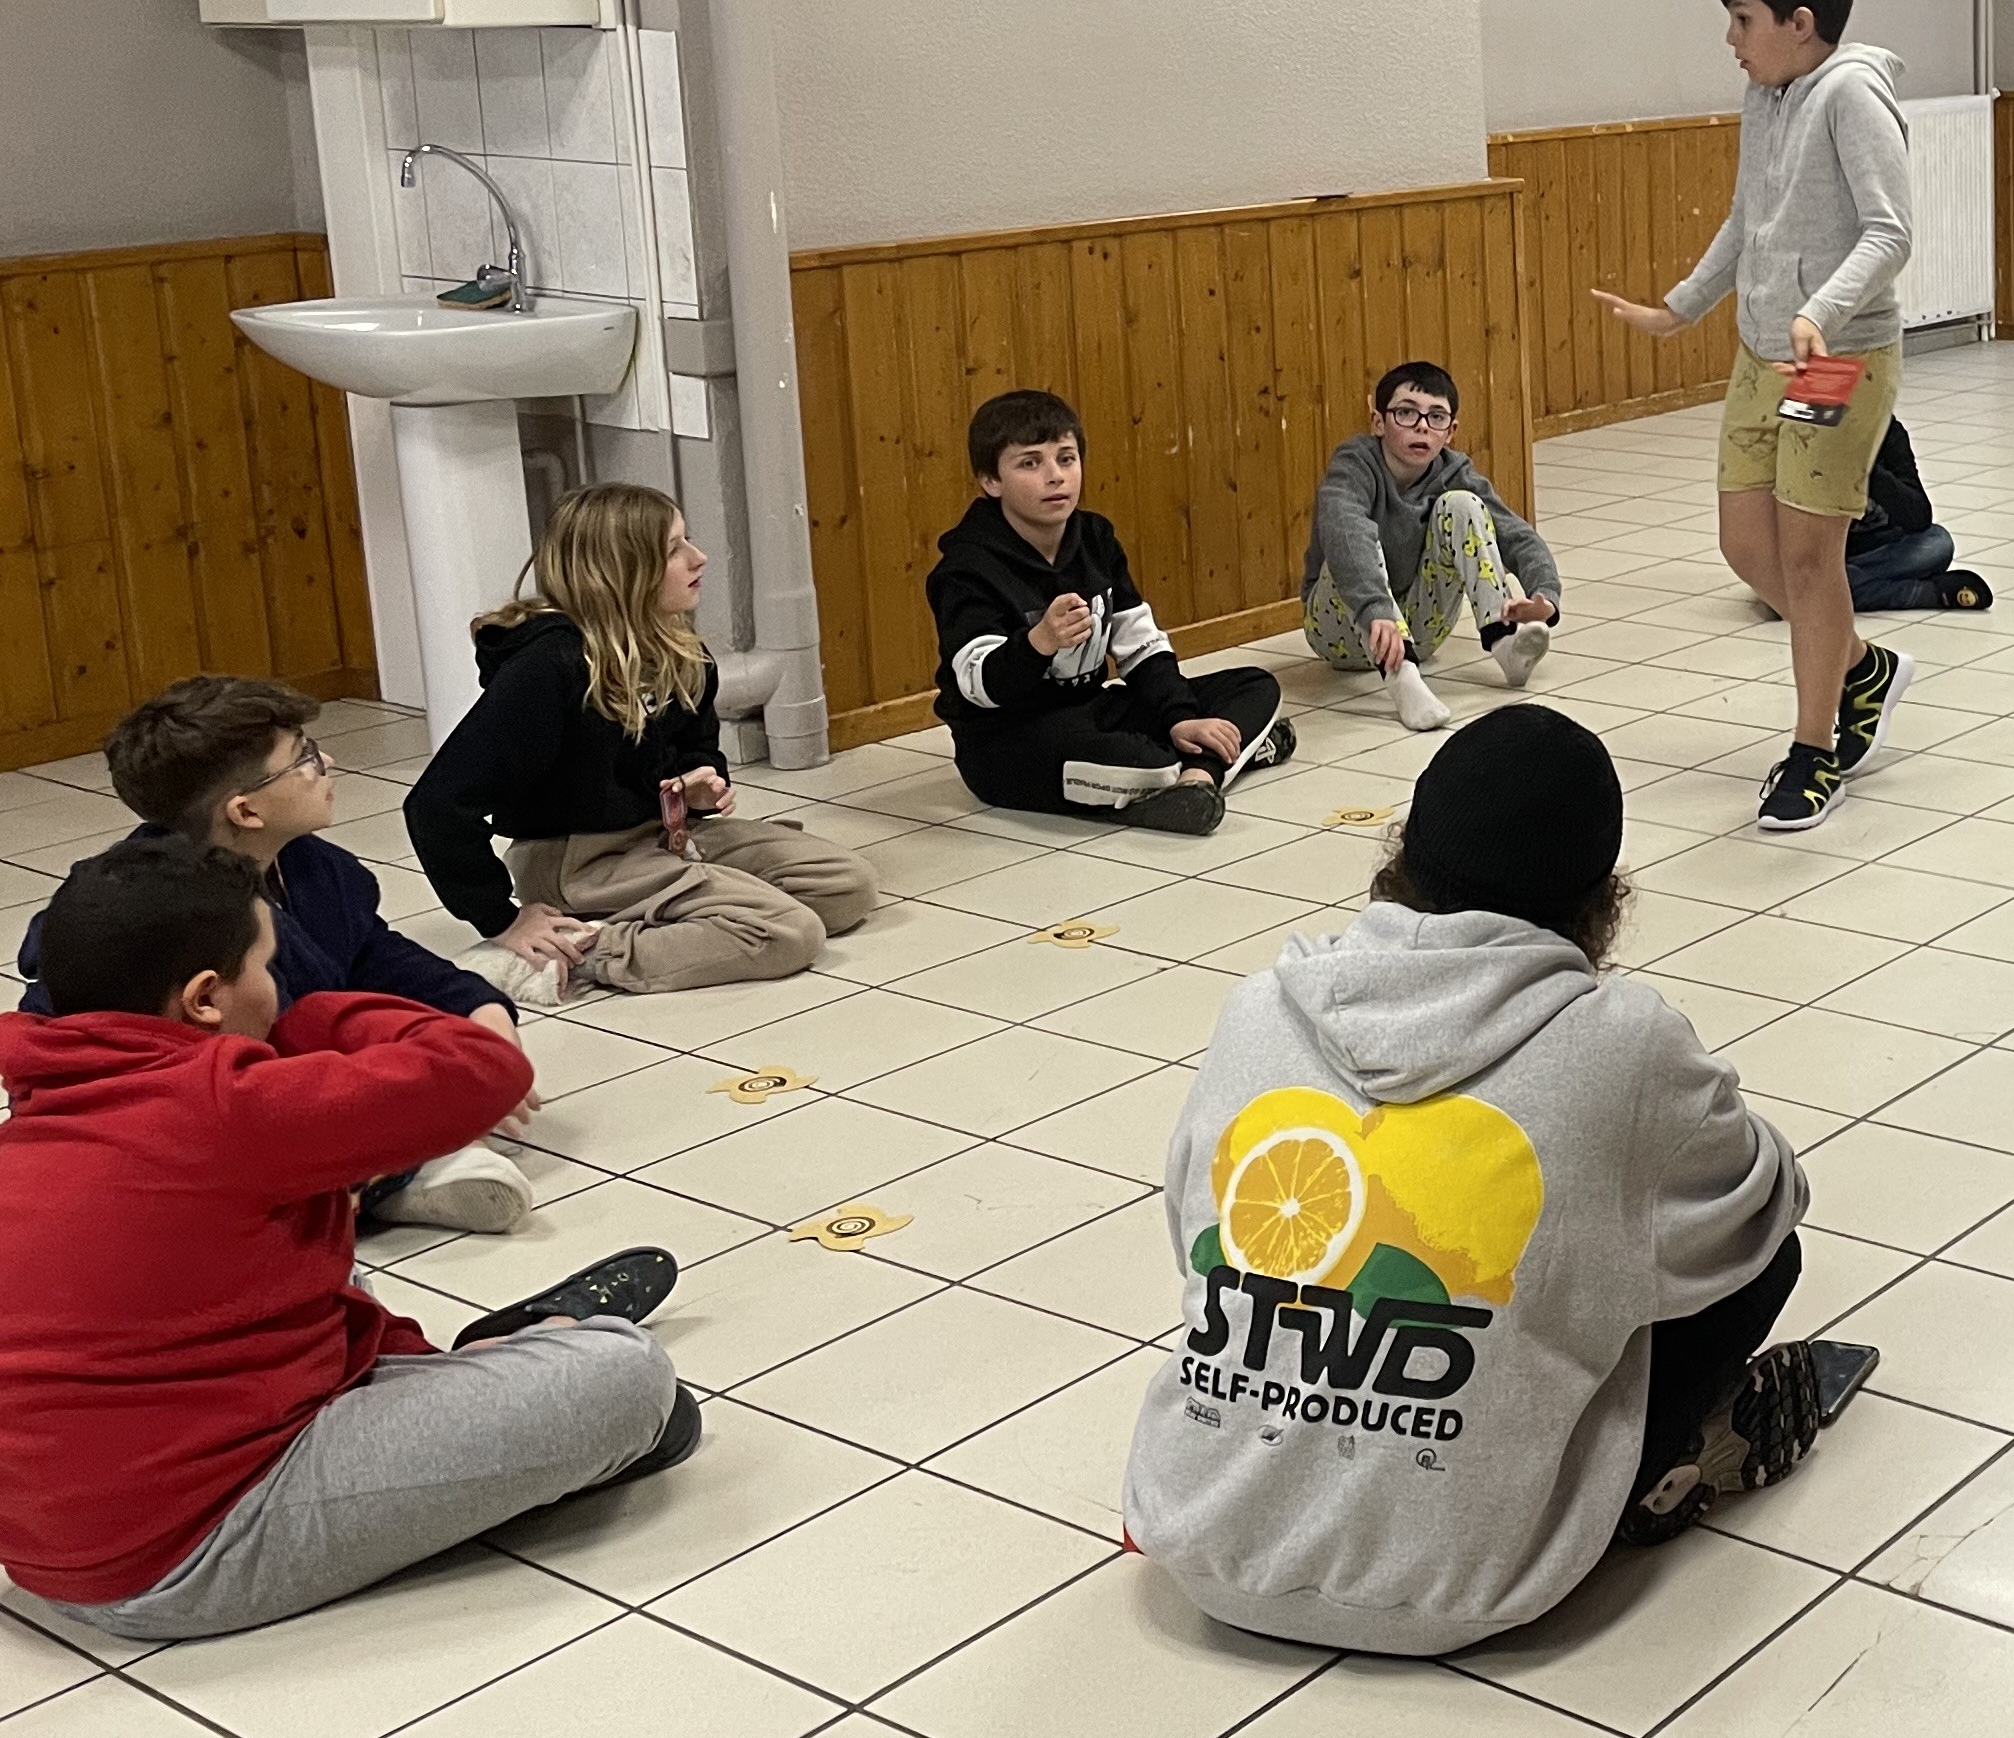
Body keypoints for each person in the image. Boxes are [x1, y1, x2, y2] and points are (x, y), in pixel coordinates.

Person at [1125, 705, 1878, 1653]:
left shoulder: (1257, 1008)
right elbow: (1767, 1206)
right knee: (1750, 1257)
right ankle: (1649, 1469)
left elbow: (1191, 1233)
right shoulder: (1625, 1042)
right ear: (1603, 898)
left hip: (1196, 1545)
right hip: (1473, 1586)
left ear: (1404, 852)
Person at [0, 837, 690, 1640]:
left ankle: (479, 1366)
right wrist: (312, 1016)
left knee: (301, 1252)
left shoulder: (45, 1106)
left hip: (53, 1547)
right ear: (205, 999)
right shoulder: (223, 1105)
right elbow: (481, 1067)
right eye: (269, 967)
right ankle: (538, 1347)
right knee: (630, 1380)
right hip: (184, 1555)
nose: (279, 986)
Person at [1588, 0, 1918, 835]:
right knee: (1748, 548)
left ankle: (1814, 752)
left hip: (1835, 358)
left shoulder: (1852, 96)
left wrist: (1822, 315)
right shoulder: (1764, 97)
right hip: (1760, 353)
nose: (1730, 39)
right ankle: (1862, 666)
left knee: (1810, 560)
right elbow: (1748, 218)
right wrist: (1679, 308)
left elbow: (1890, 232)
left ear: (1799, 23)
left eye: (1742, 19)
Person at [14, 676, 533, 1234]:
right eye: (303, 758)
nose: (326, 762)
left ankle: (387, 1173)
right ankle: (384, 1181)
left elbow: (373, 952)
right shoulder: (153, 917)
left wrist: (478, 1006)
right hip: (167, 1121)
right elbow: (244, 1078)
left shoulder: (312, 866)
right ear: (246, 811)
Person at [407, 485, 877, 996]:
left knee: (845, 886)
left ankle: (674, 913)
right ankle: (573, 951)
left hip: (661, 835)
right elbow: (436, 805)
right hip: (578, 861)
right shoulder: (549, 668)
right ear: (621, 572)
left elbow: (696, 746)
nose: (698, 557)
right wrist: (500, 919)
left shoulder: (680, 650)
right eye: (673, 549)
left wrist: (699, 784)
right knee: (788, 933)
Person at [935, 391, 1292, 832]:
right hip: (1008, 740)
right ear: (992, 480)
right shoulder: (966, 567)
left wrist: (1181, 718)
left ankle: (1197, 779)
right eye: (1030, 463)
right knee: (1146, 762)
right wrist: (1038, 643)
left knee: (1254, 685)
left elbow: (1141, 646)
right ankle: (1225, 760)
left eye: (1066, 459)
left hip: (1094, 709)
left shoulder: (1096, 538)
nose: (1055, 476)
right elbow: (978, 687)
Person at [1299, 361, 1563, 734]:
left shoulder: (1454, 471)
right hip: (1341, 631)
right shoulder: (1354, 464)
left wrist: (1545, 595)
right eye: (1406, 413)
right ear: (1379, 422)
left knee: (1464, 504)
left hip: (1422, 630)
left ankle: (1505, 643)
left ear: (1450, 432)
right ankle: (1402, 677)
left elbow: (1515, 533)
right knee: (1355, 539)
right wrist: (1376, 609)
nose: (1422, 426)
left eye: (1436, 417)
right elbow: (1345, 528)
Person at [1844, 417, 1990, 614]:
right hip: (1822, 553)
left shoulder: (1887, 431)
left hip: (1873, 553)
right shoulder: (1810, 437)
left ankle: (1834, 589)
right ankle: (1921, 593)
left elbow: (1919, 517)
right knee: (1809, 572)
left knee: (1938, 544)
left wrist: (1869, 472)